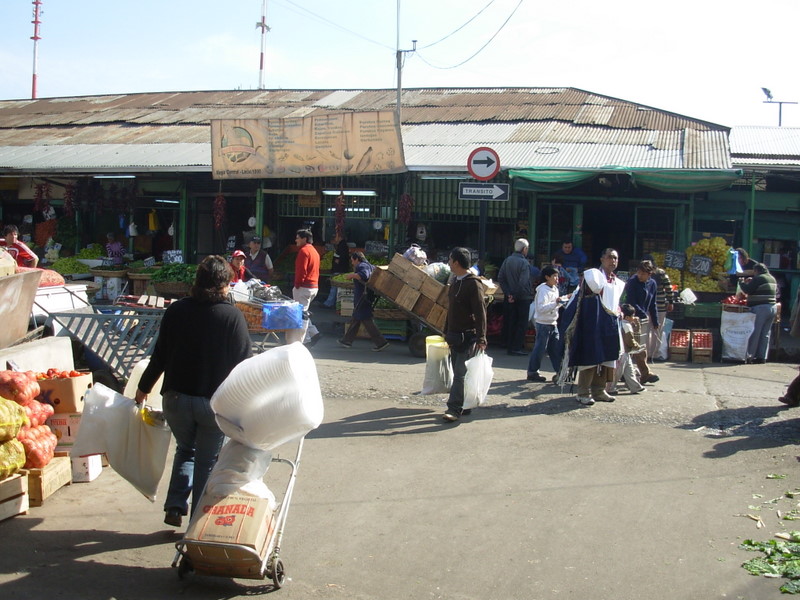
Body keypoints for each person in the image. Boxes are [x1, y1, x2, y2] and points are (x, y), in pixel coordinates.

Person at [134, 255, 252, 527]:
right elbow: (245, 367)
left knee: (186, 449)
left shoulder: (176, 311)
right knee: (207, 461)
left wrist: (142, 390)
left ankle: (175, 506)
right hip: (213, 405)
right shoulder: (232, 317)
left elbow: (159, 357)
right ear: (226, 285)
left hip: (175, 399)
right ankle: (198, 524)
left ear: (196, 282)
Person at [560, 248, 625, 406]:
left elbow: (615, 303)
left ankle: (599, 390)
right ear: (602, 259)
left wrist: (619, 311)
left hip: (610, 324)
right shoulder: (593, 277)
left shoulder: (618, 282)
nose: (613, 261)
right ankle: (583, 392)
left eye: (615, 258)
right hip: (592, 323)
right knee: (590, 359)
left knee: (607, 358)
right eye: (610, 257)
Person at [442, 247, 488, 422]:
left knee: (460, 374)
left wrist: (482, 338)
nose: (448, 263)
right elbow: (451, 310)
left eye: (450, 260)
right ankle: (465, 404)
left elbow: (481, 312)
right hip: (453, 335)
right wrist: (446, 330)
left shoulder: (473, 284)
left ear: (456, 262)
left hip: (467, 336)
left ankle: (453, 409)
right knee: (460, 372)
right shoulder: (455, 281)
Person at [337, 252, 389, 351]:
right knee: (356, 318)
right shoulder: (370, 265)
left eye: (352, 260)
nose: (352, 263)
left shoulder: (362, 266)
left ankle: (381, 342)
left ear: (357, 259)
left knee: (366, 319)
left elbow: (364, 275)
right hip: (366, 296)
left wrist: (352, 275)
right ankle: (346, 340)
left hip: (362, 297)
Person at [622, 260, 660, 384]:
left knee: (641, 346)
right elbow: (631, 301)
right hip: (631, 318)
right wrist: (642, 314)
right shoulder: (633, 282)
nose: (640, 275)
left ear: (649, 274)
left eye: (643, 274)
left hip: (643, 320)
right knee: (634, 346)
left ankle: (639, 373)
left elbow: (652, 303)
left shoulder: (652, 284)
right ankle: (644, 373)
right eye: (639, 272)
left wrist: (655, 321)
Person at [527, 265, 565, 382]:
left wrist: (561, 301)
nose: (557, 279)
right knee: (540, 349)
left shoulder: (555, 288)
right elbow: (541, 308)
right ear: (547, 277)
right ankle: (533, 372)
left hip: (553, 322)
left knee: (555, 348)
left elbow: (555, 304)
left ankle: (560, 372)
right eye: (554, 276)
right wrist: (556, 303)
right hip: (543, 323)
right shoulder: (543, 290)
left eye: (557, 276)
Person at [497, 238, 533, 356]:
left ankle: (507, 343)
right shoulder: (524, 263)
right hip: (522, 298)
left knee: (510, 321)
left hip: (510, 297)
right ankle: (516, 347)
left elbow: (501, 278)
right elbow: (523, 283)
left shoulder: (507, 260)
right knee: (521, 323)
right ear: (525, 249)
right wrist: (514, 294)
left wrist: (509, 294)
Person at [286, 228, 322, 346]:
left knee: (300, 315)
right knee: (304, 312)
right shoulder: (314, 251)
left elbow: (301, 271)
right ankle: (314, 333)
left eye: (298, 237)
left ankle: (305, 340)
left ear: (304, 239)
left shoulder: (304, 251)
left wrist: (297, 285)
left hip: (304, 287)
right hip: (313, 286)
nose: (296, 240)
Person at [738, 262, 778, 364]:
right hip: (772, 308)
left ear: (756, 271)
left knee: (755, 332)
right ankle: (762, 357)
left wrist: (741, 282)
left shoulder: (759, 278)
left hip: (761, 308)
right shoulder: (772, 278)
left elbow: (748, 290)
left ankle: (750, 356)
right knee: (765, 333)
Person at [642, 254, 674, 360]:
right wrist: (670, 302)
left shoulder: (642, 274)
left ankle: (644, 354)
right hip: (659, 307)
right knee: (657, 330)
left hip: (646, 307)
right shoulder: (661, 273)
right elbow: (669, 288)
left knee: (646, 331)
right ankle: (654, 354)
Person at [612, 304, 646, 394]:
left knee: (629, 370)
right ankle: (610, 387)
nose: (634, 317)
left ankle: (636, 387)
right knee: (619, 371)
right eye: (633, 316)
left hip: (624, 352)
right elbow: (629, 339)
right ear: (627, 317)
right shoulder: (627, 325)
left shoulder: (620, 323)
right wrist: (637, 346)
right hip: (623, 352)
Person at [322, 232, 349, 308]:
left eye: (336, 236)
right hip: (340, 268)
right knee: (335, 287)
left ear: (340, 237)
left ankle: (329, 303)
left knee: (334, 287)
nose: (335, 238)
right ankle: (332, 303)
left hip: (339, 269)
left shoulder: (342, 246)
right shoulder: (341, 245)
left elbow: (339, 258)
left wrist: (337, 261)